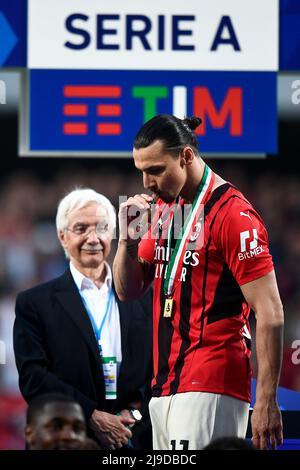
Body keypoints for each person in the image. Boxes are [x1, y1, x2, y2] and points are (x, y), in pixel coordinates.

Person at [113, 114, 284, 451]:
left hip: (211, 381)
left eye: (156, 170)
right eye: (141, 171)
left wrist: (265, 398)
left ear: (186, 157)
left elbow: (271, 311)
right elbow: (128, 290)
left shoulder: (233, 215)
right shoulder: (168, 209)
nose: (146, 182)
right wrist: (127, 243)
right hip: (164, 385)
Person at [14, 189, 153, 450]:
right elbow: (33, 376)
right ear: (62, 237)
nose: (93, 238)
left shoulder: (145, 297)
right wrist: (91, 415)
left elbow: (161, 371)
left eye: (101, 227)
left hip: (132, 438)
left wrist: (133, 417)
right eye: (81, 228)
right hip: (64, 439)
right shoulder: (34, 303)